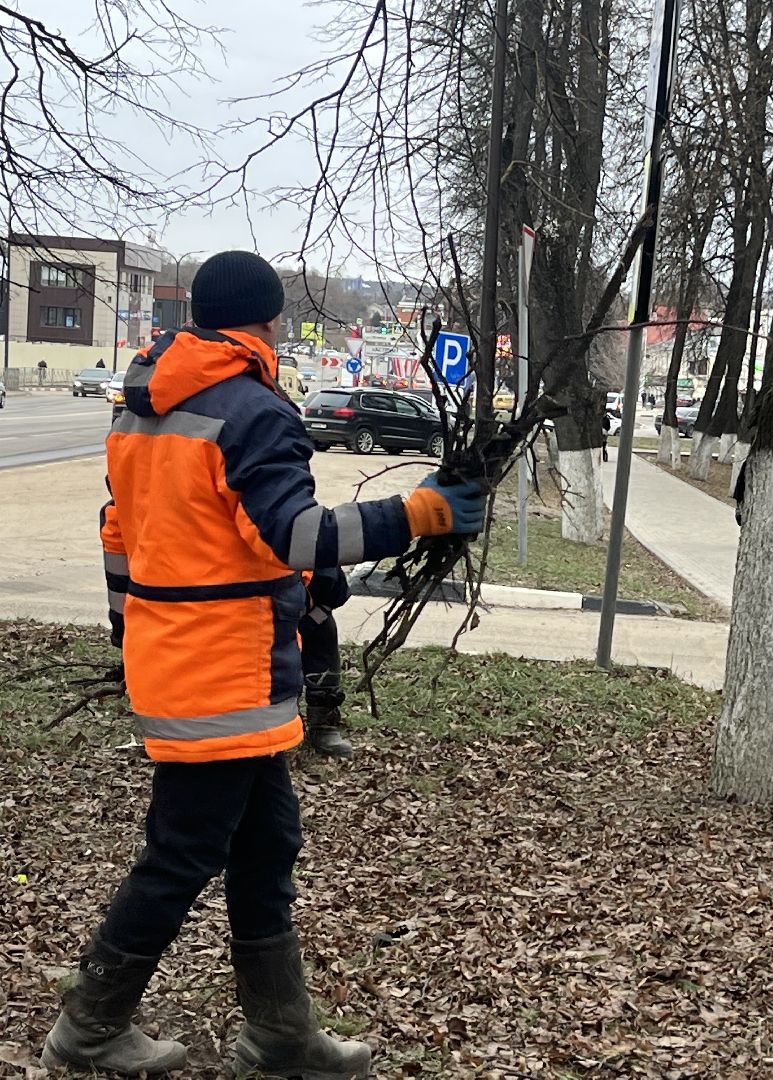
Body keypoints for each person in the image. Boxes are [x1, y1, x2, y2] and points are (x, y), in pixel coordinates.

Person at [42, 251, 486, 1078]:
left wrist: (126, 639)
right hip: (224, 673)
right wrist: (417, 513)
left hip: (179, 658)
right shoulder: (251, 410)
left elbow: (122, 536)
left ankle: (280, 1035)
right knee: (182, 853)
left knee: (266, 842)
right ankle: (90, 1024)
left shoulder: (145, 408)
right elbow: (297, 535)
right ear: (270, 321)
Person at [300, 568, 354, 758]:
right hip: (258, 612)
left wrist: (311, 621)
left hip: (311, 610)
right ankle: (279, 724)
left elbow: (334, 594)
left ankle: (323, 723)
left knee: (323, 635)